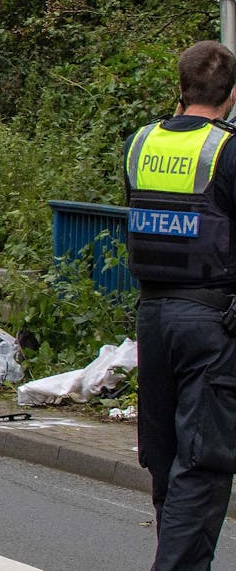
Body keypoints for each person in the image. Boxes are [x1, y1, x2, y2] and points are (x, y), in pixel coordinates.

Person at [127, 40, 236, 571]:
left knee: (167, 459)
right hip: (210, 323)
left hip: (153, 318)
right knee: (203, 463)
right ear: (232, 96)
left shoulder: (141, 143)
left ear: (180, 88)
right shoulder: (227, 151)